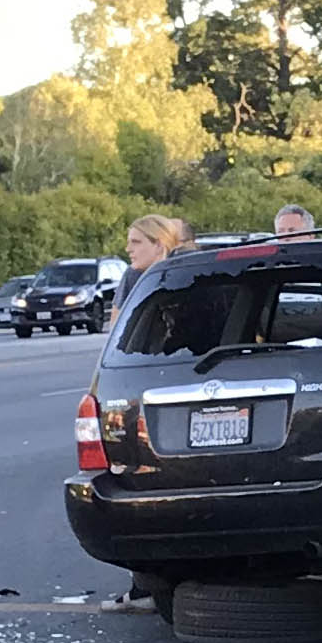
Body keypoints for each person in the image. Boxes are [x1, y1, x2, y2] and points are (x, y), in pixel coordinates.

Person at [101, 213, 186, 615]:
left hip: (169, 389)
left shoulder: (185, 276)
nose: (128, 249)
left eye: (136, 242)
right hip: (143, 391)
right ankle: (147, 585)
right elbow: (117, 338)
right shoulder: (134, 280)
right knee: (139, 483)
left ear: (160, 244)